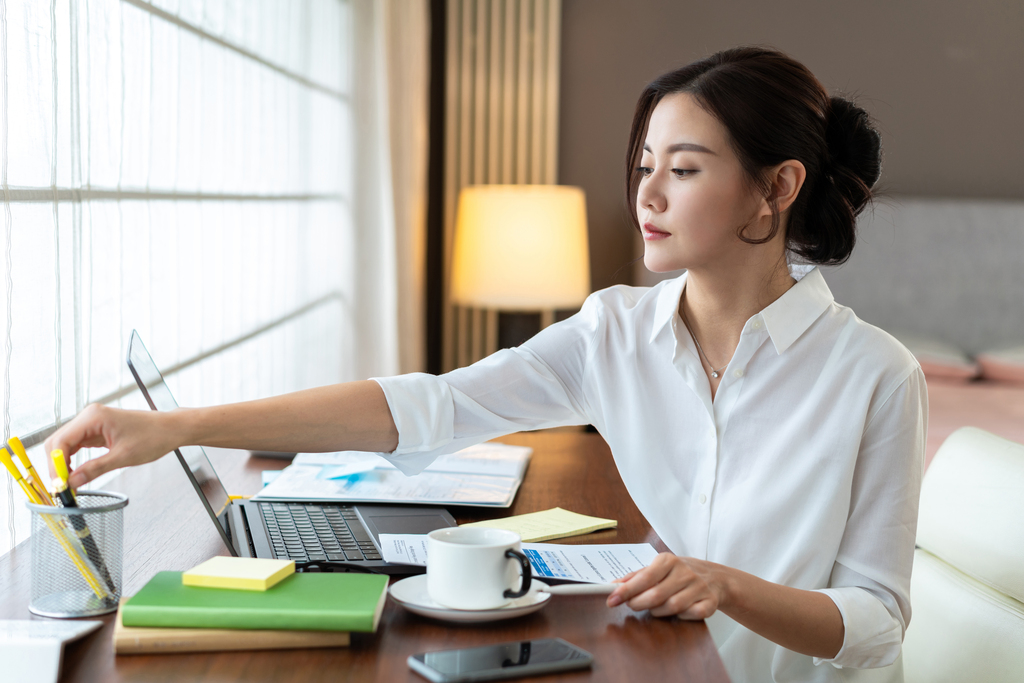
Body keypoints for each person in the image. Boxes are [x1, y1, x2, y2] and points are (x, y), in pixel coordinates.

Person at [47, 47, 924, 683]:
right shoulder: (612, 331)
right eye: (645, 164)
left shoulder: (878, 376)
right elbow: (424, 407)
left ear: (778, 188)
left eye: (684, 169)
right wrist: (172, 427)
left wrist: (728, 585)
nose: (646, 195)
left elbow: (877, 624)